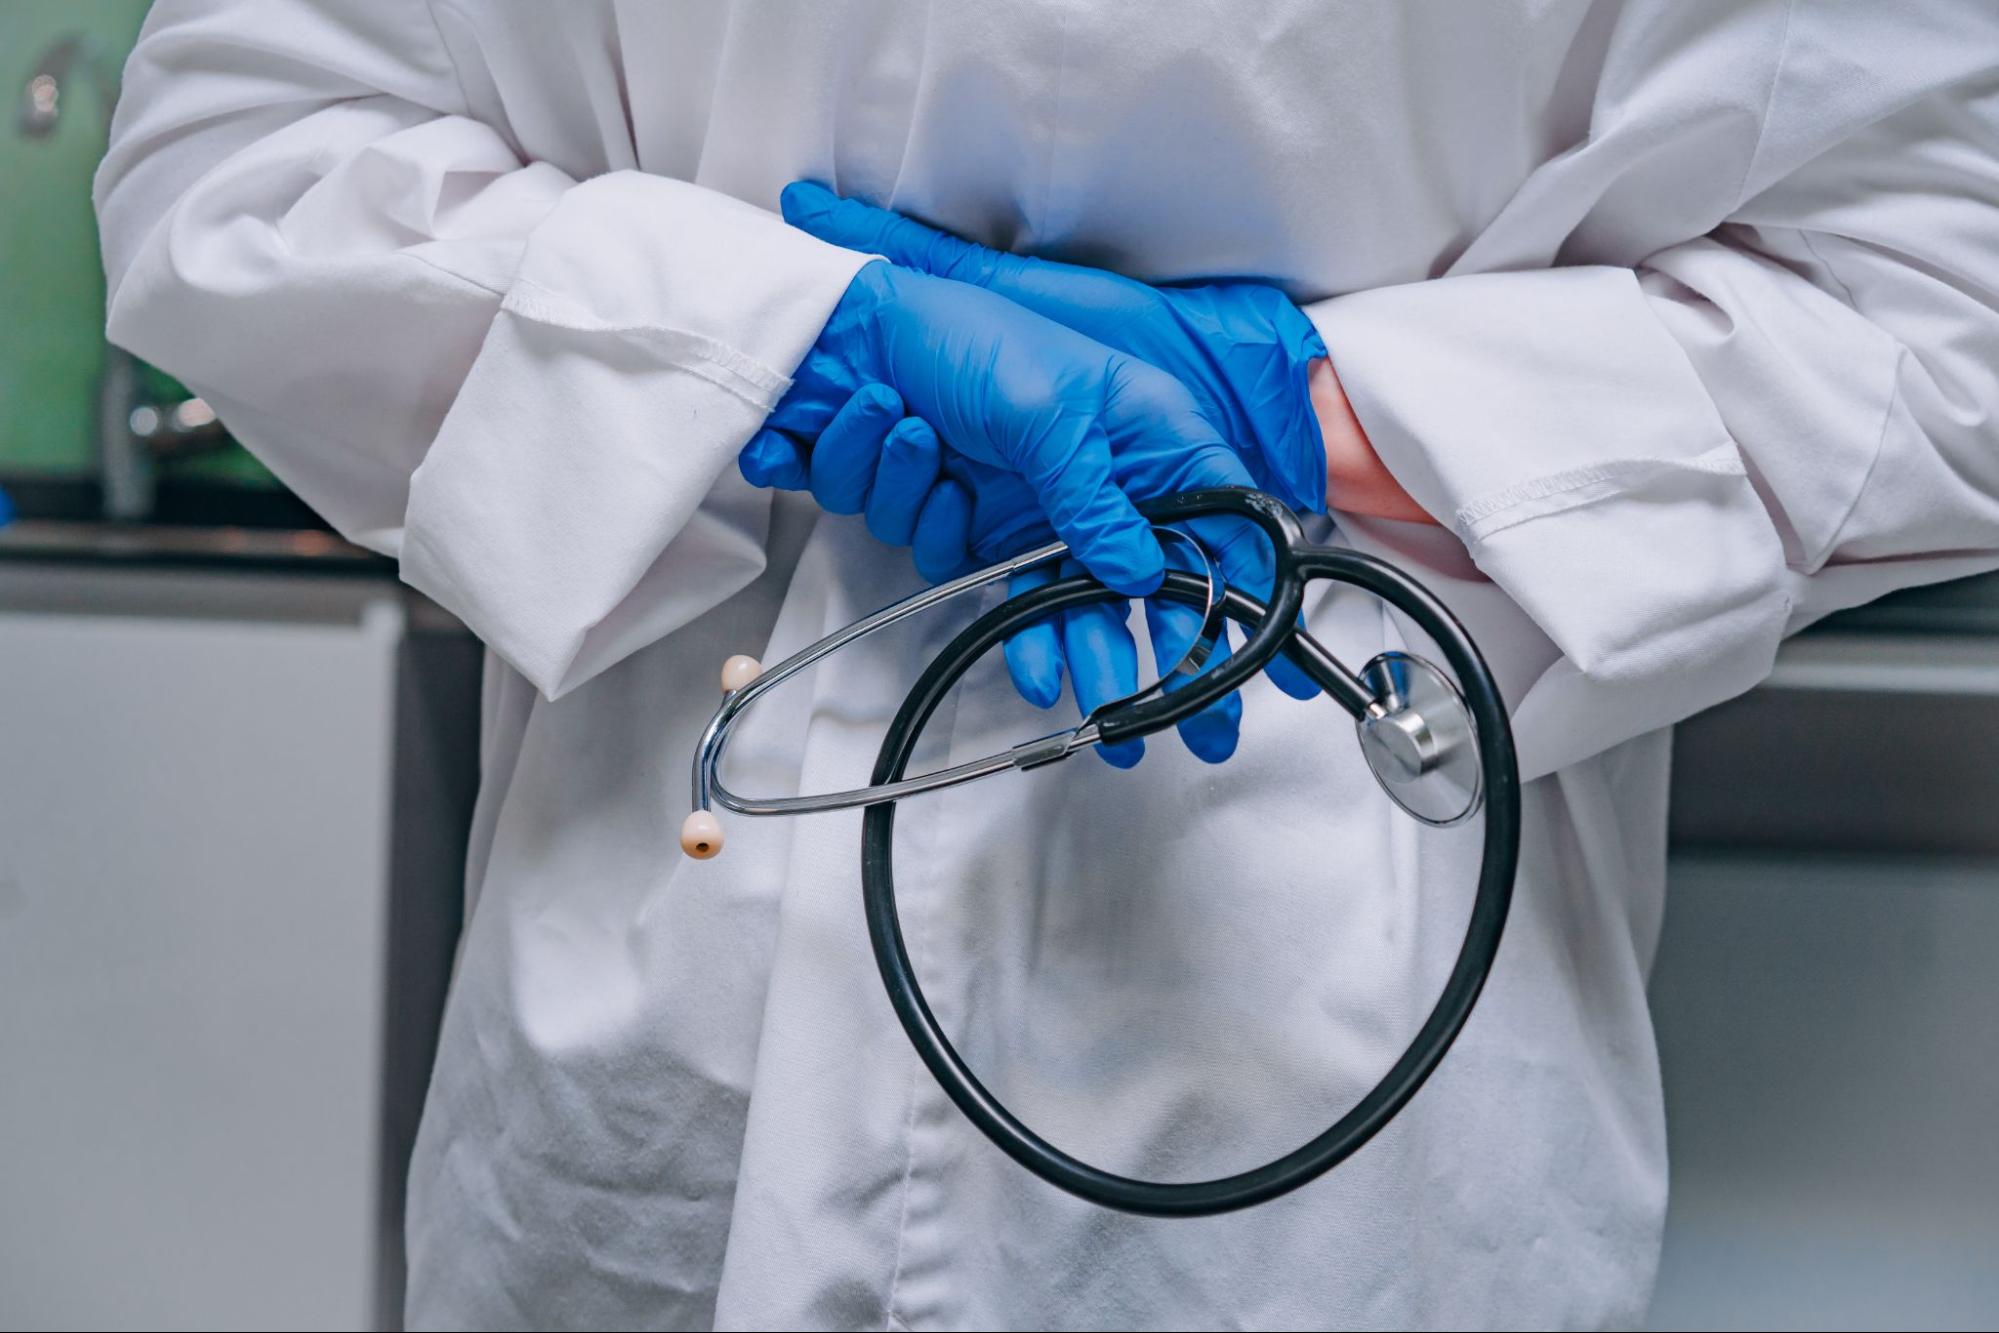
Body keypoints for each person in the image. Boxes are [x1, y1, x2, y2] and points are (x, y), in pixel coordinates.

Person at [95, 3, 1999, 1327]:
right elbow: (242, 161)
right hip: (668, 1085)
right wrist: (775, 347)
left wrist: (1295, 407)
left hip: (1355, 1103)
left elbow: (1959, 325)